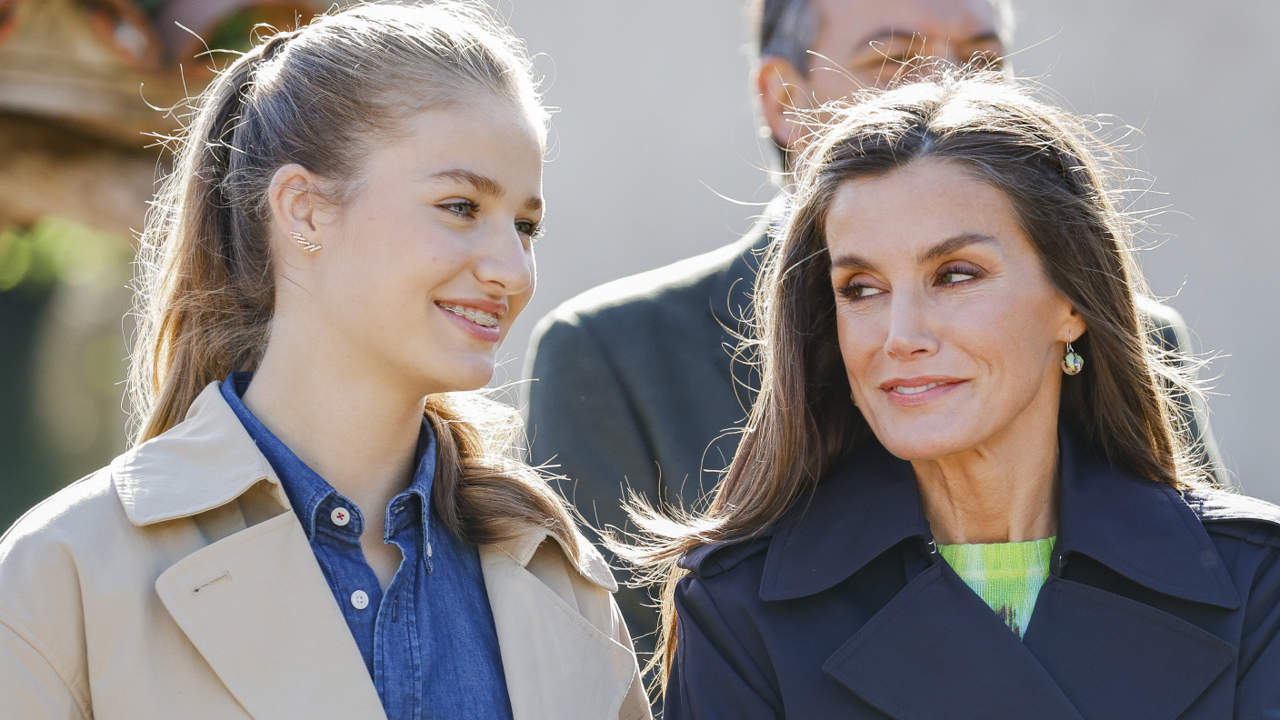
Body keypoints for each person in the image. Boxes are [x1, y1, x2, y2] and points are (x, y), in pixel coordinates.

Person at [0, 4, 649, 719]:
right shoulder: (64, 572)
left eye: (526, 225)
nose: (512, 270)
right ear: (305, 211)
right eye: (461, 206)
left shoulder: (560, 578)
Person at [522, 0, 1223, 658]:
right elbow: (623, 677)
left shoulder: (1127, 334)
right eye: (894, 63)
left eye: (982, 63)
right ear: (783, 98)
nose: (948, 90)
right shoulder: (613, 355)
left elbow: (1206, 596)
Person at [620, 74, 1280, 718]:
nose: (900, 336)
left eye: (955, 275)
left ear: (1072, 300)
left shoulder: (1254, 583)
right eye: (860, 288)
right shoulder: (741, 610)